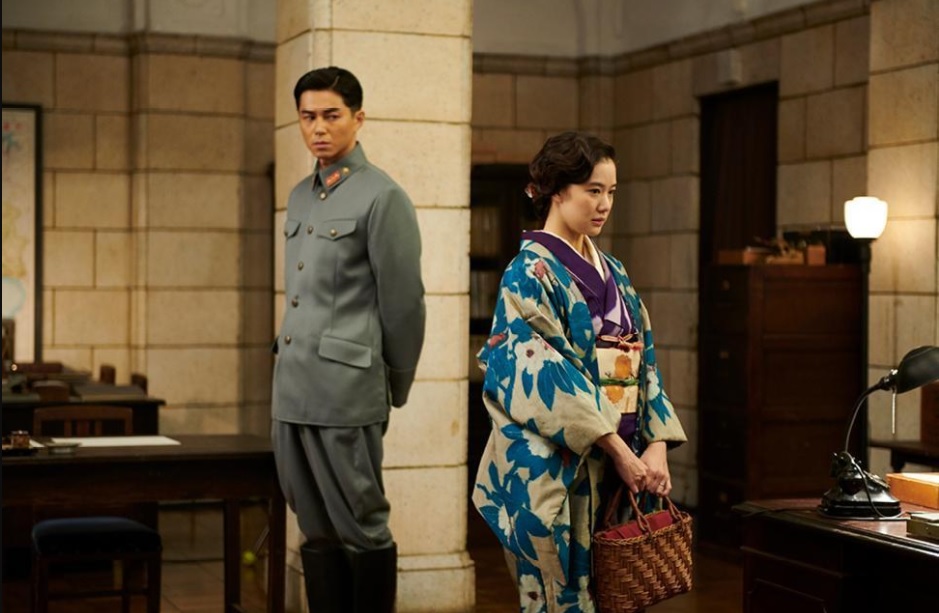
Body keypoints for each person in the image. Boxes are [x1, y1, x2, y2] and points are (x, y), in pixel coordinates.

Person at [472, 131, 687, 612]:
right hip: (569, 463)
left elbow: (645, 362)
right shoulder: (527, 273)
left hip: (624, 463)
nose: (604, 204)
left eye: (611, 192)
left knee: (621, 590)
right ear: (556, 190)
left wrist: (655, 445)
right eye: (593, 190)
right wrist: (615, 447)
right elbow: (540, 375)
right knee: (562, 597)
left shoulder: (615, 271)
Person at [271, 66, 425, 613]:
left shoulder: (383, 197)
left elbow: (403, 305)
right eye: (307, 116)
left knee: (362, 524)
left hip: (346, 391)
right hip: (292, 390)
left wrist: (393, 385)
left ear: (358, 118)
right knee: (314, 527)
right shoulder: (300, 196)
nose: (318, 128)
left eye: (331, 115)